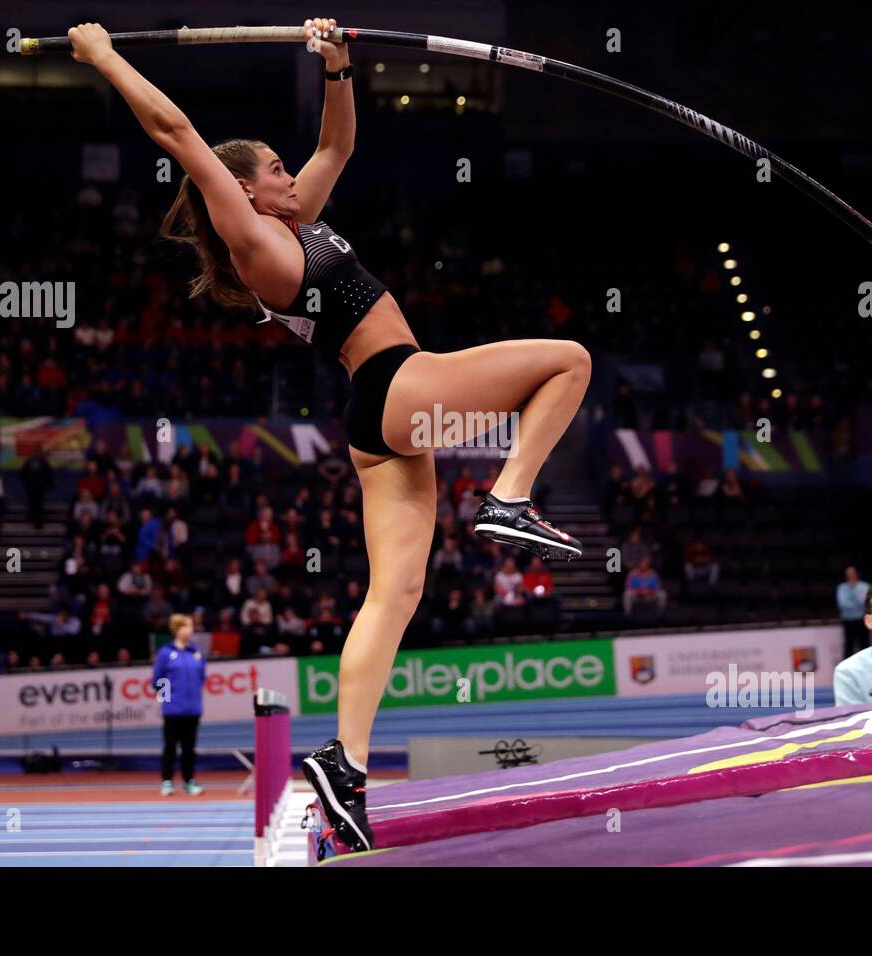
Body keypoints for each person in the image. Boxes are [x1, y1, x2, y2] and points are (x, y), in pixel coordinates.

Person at [68, 18, 591, 853]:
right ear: (239, 190)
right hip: (395, 383)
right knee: (568, 360)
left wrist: (339, 67)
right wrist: (102, 56)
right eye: (272, 167)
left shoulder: (295, 218)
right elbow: (174, 130)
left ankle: (345, 762)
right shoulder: (254, 241)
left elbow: (337, 148)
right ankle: (509, 495)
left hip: (378, 422)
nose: (288, 172)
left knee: (396, 594)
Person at [152, 613, 207, 796]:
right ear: (178, 629)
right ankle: (167, 781)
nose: (191, 630)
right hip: (172, 710)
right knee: (170, 747)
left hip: (193, 710)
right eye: (188, 626)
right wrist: (168, 701)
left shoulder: (196, 653)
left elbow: (201, 678)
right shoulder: (166, 653)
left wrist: (194, 700)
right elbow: (158, 680)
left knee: (189, 748)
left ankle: (189, 780)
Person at [835, 566, 870, 657]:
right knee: (849, 646)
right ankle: (847, 669)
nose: (851, 576)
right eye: (848, 574)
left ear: (857, 574)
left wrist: (854, 591)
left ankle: (867, 667)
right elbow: (842, 604)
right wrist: (857, 604)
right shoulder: (842, 587)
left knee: (865, 645)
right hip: (848, 620)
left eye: (852, 573)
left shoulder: (864, 586)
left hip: (862, 620)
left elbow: (865, 602)